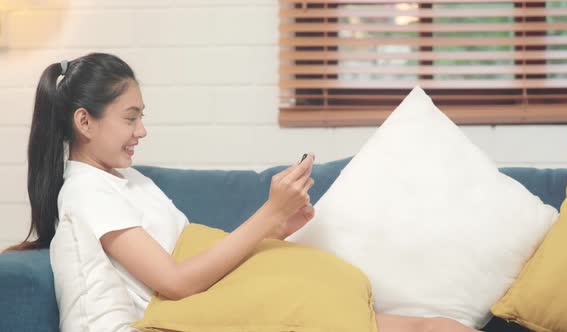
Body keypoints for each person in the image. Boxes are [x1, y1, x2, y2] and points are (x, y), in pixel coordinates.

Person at [4, 52, 482, 332]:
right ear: (83, 121)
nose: (141, 131)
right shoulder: (87, 193)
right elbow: (173, 282)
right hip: (190, 307)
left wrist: (276, 227)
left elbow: (191, 249)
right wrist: (266, 217)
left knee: (407, 320)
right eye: (130, 117)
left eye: (141, 116)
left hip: (217, 291)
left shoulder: (126, 181)